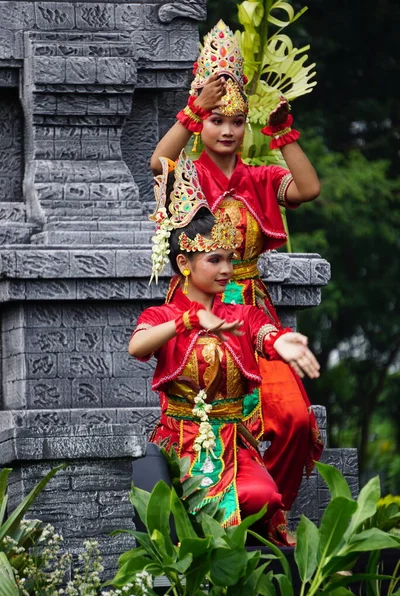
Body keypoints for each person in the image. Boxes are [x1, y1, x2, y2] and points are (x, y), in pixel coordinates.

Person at [149, 20, 324, 529]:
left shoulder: (261, 178)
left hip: (255, 314)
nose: (227, 130)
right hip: (203, 316)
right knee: (213, 423)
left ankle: (273, 516)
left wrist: (283, 132)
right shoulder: (190, 176)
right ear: (202, 124)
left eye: (237, 121)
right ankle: (220, 521)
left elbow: (308, 188)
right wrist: (192, 107)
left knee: (293, 418)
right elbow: (159, 160)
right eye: (217, 120)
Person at [129, 150, 320, 542]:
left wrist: (282, 342)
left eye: (230, 260)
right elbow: (138, 346)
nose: (226, 270)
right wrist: (188, 321)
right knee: (222, 506)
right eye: (215, 260)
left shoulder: (240, 313)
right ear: (185, 264)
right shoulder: (163, 315)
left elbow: (264, 330)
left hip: (233, 442)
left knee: (263, 497)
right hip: (183, 442)